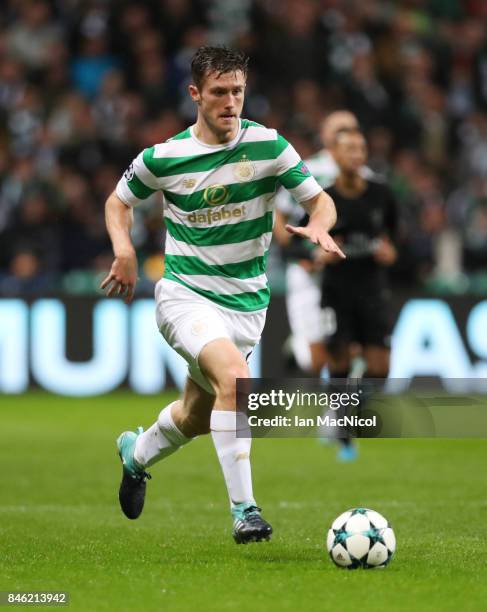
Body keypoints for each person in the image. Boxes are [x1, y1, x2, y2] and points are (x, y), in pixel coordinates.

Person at [100, 46, 344, 544]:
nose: (230, 102)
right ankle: (245, 510)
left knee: (196, 416)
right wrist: (124, 249)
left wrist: (319, 225)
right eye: (219, 92)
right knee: (237, 379)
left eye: (237, 91)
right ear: (195, 94)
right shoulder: (164, 157)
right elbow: (117, 202)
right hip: (185, 296)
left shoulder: (270, 147)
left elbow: (320, 201)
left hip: (246, 306)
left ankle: (137, 454)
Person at [274, 111, 360, 375]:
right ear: (325, 136)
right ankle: (298, 349)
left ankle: (335, 414)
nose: (346, 134)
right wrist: (297, 251)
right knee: (316, 359)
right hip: (310, 273)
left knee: (349, 348)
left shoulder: (366, 175)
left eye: (350, 128)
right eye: (339, 130)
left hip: (348, 273)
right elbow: (279, 213)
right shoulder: (310, 169)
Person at [317, 127, 397, 389]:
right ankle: (341, 423)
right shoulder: (323, 198)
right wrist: (317, 253)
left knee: (380, 365)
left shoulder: (381, 193)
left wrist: (392, 251)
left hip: (373, 289)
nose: (357, 155)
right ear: (335, 155)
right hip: (337, 290)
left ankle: (361, 414)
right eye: (349, 148)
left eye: (361, 148)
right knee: (339, 361)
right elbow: (299, 240)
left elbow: (397, 236)